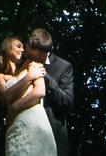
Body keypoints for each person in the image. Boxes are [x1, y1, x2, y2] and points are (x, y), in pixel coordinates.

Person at [0, 35, 57, 156]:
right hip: (17, 126)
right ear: (7, 47)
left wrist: (14, 108)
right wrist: (29, 77)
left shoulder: (33, 65)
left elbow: (40, 92)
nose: (22, 50)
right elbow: (6, 97)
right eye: (18, 46)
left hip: (38, 123)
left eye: (23, 47)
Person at [26, 28, 74, 156]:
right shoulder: (23, 63)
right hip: (26, 132)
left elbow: (68, 101)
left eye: (33, 56)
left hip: (53, 133)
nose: (29, 57)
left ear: (43, 54)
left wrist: (46, 77)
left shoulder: (63, 67)